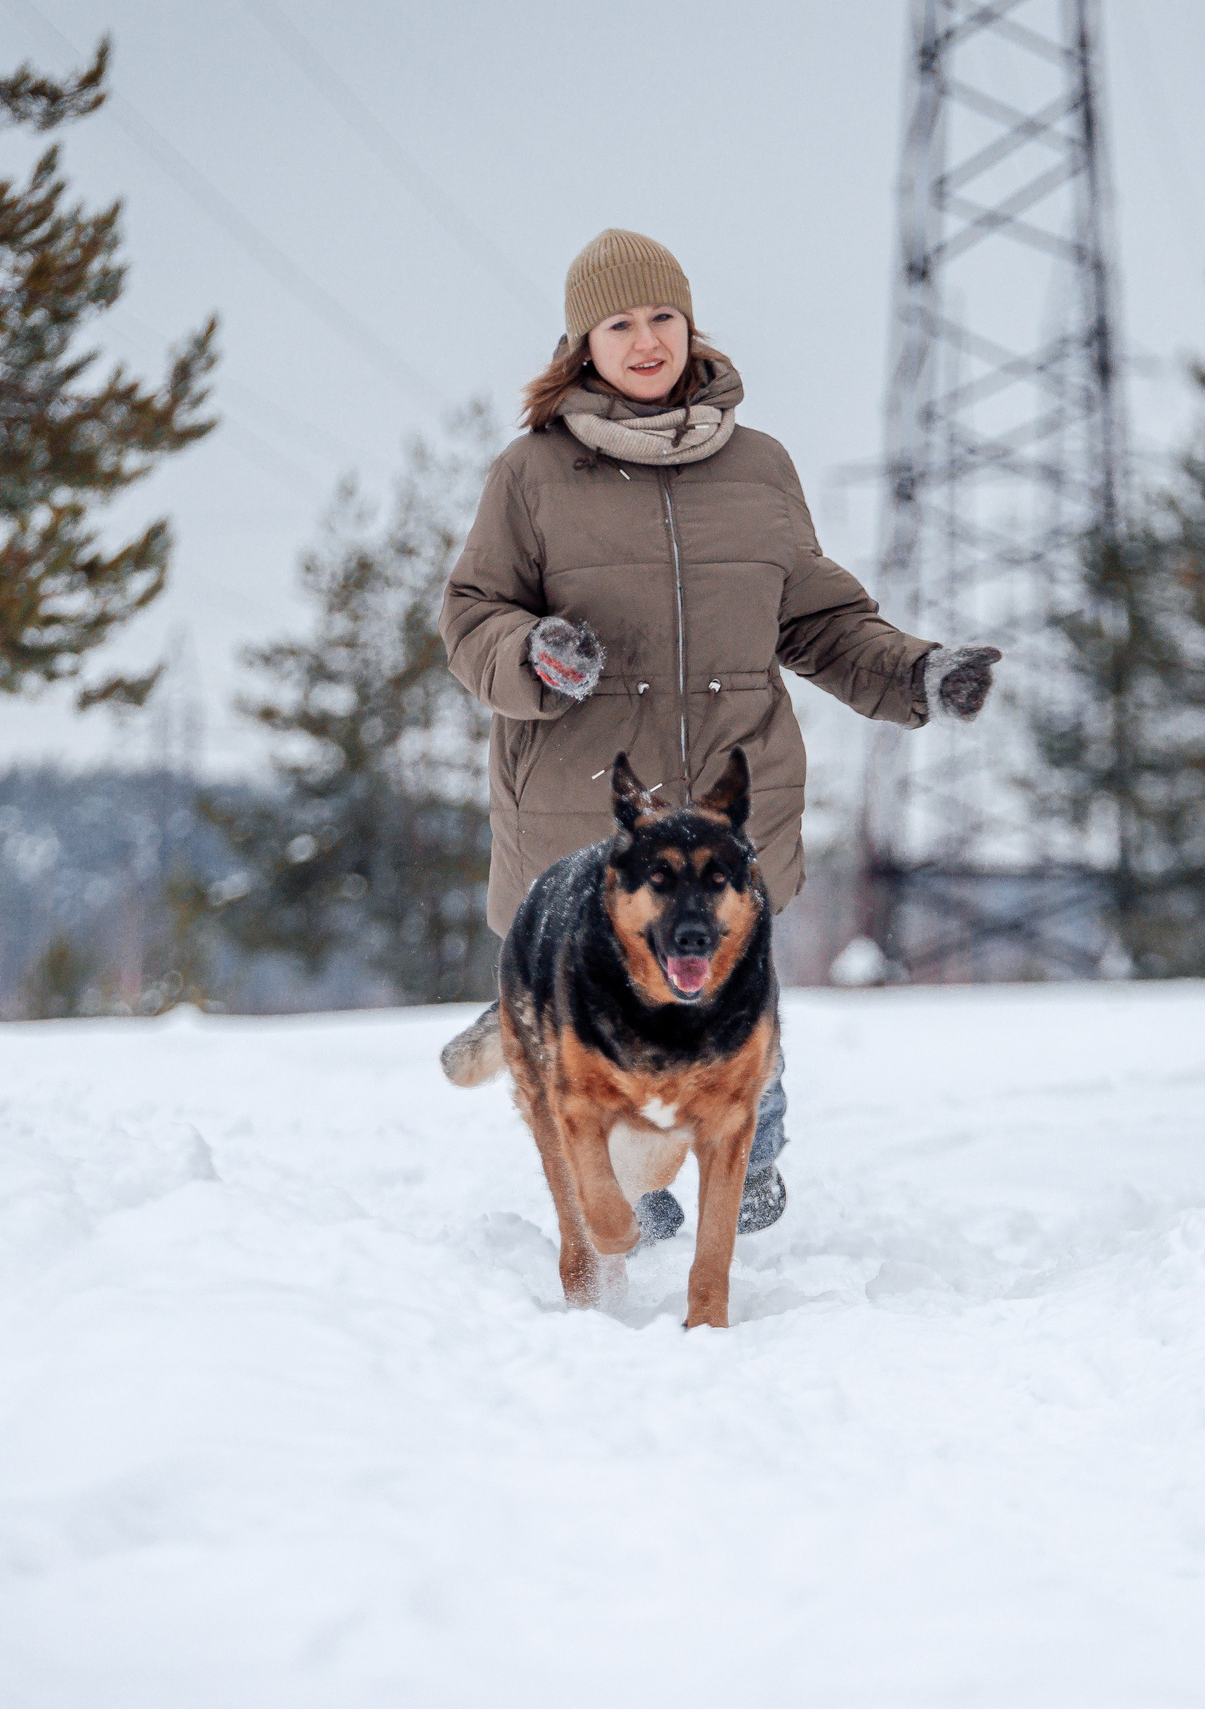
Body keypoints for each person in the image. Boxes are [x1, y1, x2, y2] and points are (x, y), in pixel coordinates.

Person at [438, 228, 998, 1242]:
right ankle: (643, 1229)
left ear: (689, 325)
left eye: (661, 316)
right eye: (619, 323)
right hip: (587, 825)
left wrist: (917, 672)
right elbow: (472, 615)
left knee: (739, 1034)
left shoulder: (758, 467)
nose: (645, 339)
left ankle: (748, 1153)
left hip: (727, 818)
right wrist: (534, 653)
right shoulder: (529, 475)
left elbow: (818, 621)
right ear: (583, 343)